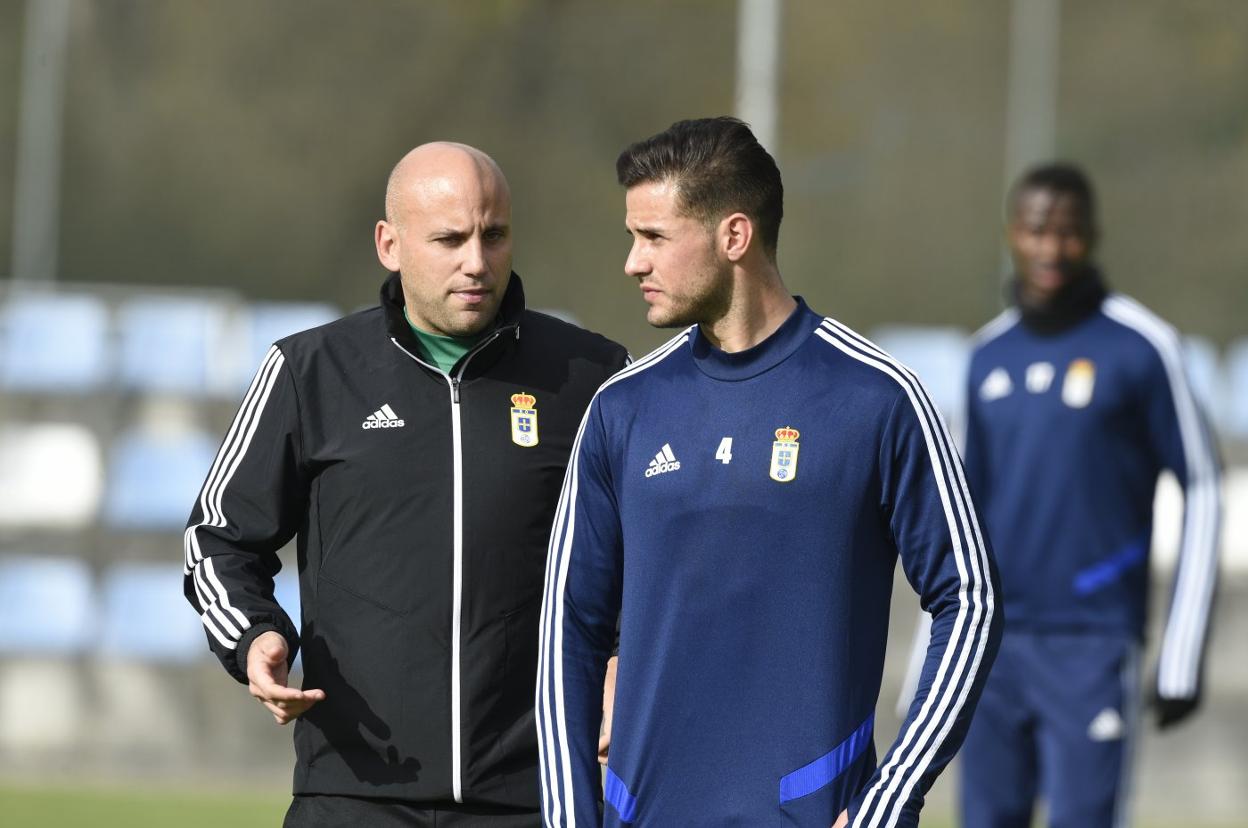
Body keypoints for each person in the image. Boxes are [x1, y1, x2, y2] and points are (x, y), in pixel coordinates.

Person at [536, 117, 1002, 827]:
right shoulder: (622, 410)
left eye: (654, 237)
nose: (632, 262)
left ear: (734, 236)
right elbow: (569, 628)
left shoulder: (874, 396)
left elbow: (970, 598)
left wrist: (893, 793)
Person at [182, 142, 629, 827]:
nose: (476, 262)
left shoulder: (592, 376)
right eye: (449, 239)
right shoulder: (311, 372)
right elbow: (217, 538)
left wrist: (622, 660)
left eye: (494, 235)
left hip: (536, 795)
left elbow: (644, 553)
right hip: (354, 794)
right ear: (389, 245)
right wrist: (254, 638)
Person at [956, 163, 1222, 827]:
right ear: (1014, 233)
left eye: (1069, 233)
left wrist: (1183, 650)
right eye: (1037, 230)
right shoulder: (987, 355)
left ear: (1093, 236)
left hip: (1094, 642)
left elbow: (1204, 484)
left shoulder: (1141, 346)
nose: (1052, 248)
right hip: (993, 647)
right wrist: (949, 647)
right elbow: (959, 519)